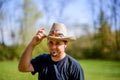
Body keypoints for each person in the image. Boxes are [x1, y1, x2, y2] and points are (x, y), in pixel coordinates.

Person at [18, 22, 84, 80]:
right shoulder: (42, 60)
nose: (53, 47)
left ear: (65, 44)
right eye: (51, 42)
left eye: (58, 43)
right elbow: (23, 68)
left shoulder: (74, 66)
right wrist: (32, 44)